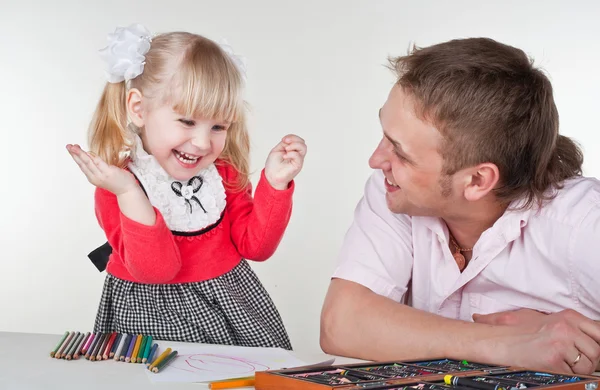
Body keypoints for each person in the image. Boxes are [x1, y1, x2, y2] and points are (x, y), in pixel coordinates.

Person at [320, 37, 600, 374]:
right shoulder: (395, 194)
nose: (376, 160)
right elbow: (342, 323)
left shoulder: (583, 224)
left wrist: (575, 348)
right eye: (384, 134)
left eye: (400, 151)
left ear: (478, 181)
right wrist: (507, 344)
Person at [66, 24, 307, 350]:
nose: (202, 142)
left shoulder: (221, 176)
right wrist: (129, 193)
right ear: (138, 109)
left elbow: (256, 248)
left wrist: (275, 184)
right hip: (149, 318)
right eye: (188, 121)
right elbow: (156, 271)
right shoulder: (116, 186)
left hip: (231, 313)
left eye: (218, 126)